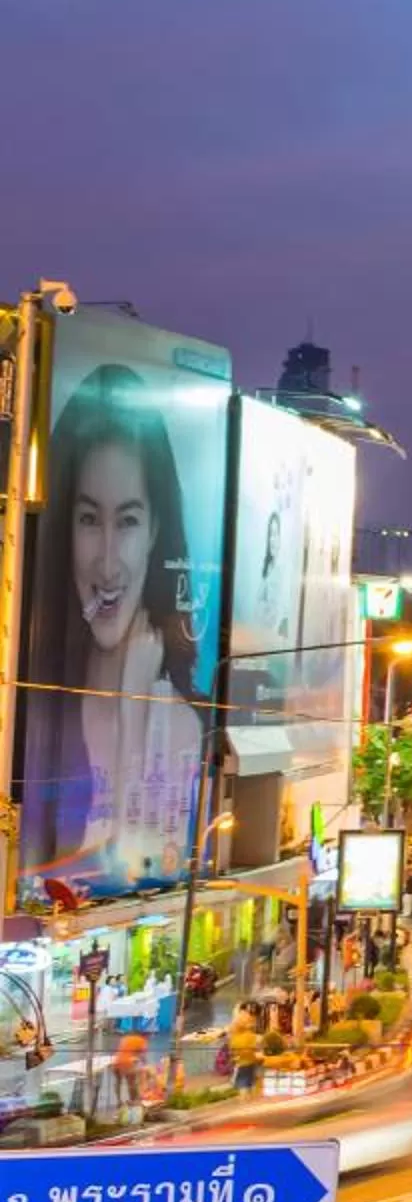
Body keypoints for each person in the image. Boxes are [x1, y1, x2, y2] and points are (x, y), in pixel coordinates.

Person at [18, 362, 210, 896]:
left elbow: (134, 868)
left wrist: (132, 710)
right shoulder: (29, 709)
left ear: (154, 533)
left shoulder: (179, 726)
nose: (106, 564)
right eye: (87, 520)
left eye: (127, 521)